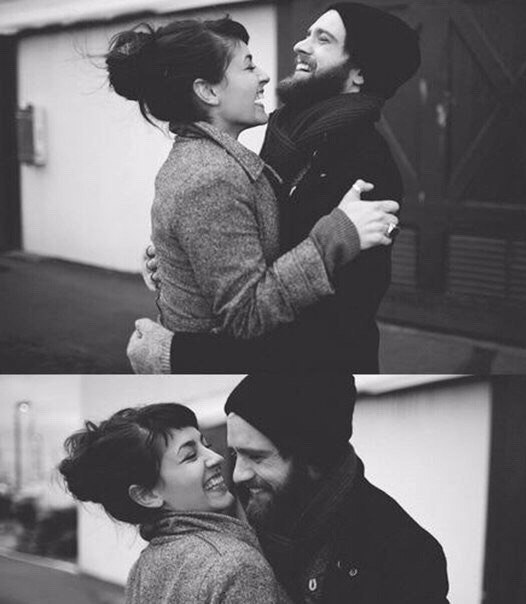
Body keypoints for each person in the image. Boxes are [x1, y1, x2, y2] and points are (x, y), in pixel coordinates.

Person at [127, 3, 419, 373]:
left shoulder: (367, 163)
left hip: (318, 374)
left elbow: (330, 323)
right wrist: (185, 256)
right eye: (308, 33)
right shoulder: (288, 135)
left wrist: (182, 354)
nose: (300, 45)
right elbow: (253, 236)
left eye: (323, 39)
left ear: (359, 73)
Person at [224, 373, 450, 603]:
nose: (237, 475)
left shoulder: (404, 557)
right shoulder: (248, 531)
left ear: (313, 460)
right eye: (234, 454)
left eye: (256, 457)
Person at [58, 403, 291, 603]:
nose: (217, 458)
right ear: (146, 495)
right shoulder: (237, 565)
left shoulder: (143, 567)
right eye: (190, 456)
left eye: (206, 445)